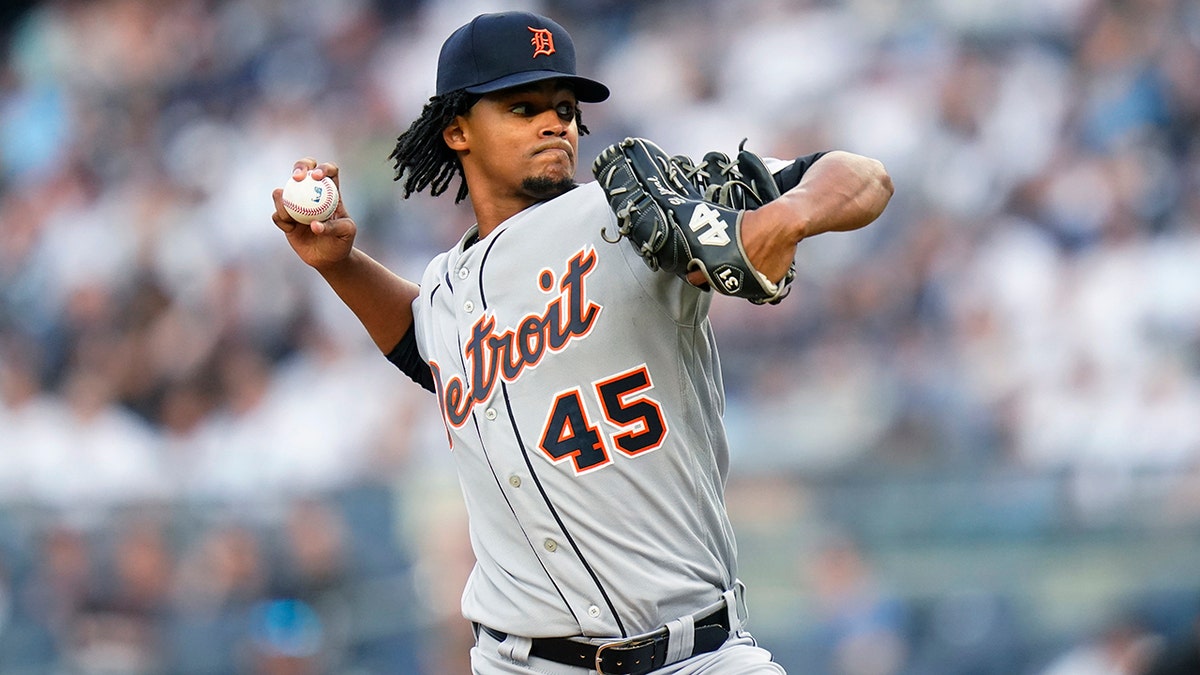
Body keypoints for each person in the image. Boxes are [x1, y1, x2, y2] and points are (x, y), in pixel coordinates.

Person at [270, 10, 892, 675]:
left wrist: (783, 216)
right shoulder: (446, 286)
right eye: (522, 106)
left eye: (564, 107)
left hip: (697, 654)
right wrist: (341, 264)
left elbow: (861, 175)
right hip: (521, 662)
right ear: (457, 130)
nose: (554, 123)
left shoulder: (635, 214)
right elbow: (429, 348)